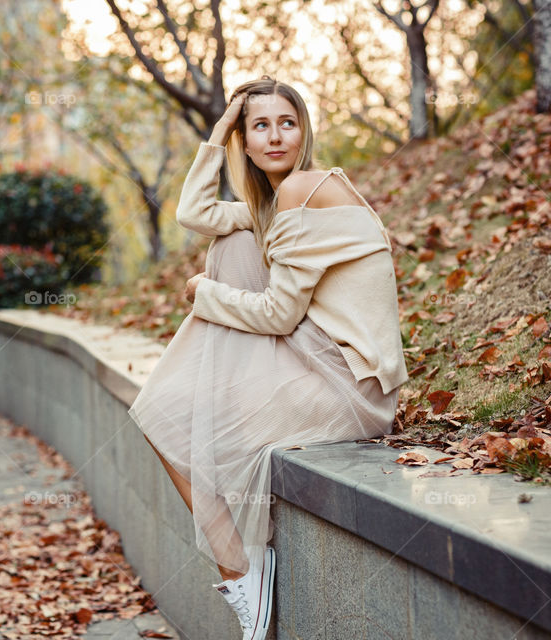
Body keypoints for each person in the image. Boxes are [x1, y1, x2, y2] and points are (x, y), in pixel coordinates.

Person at [126, 75, 409, 640]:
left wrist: (202, 293)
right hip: (322, 365)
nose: (277, 136)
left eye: (288, 122)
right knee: (230, 245)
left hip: (350, 388)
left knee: (170, 415)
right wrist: (217, 134)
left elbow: (279, 316)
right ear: (245, 142)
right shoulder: (276, 203)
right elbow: (196, 213)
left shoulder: (305, 188)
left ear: (304, 131)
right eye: (260, 126)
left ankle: (239, 569)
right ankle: (242, 568)